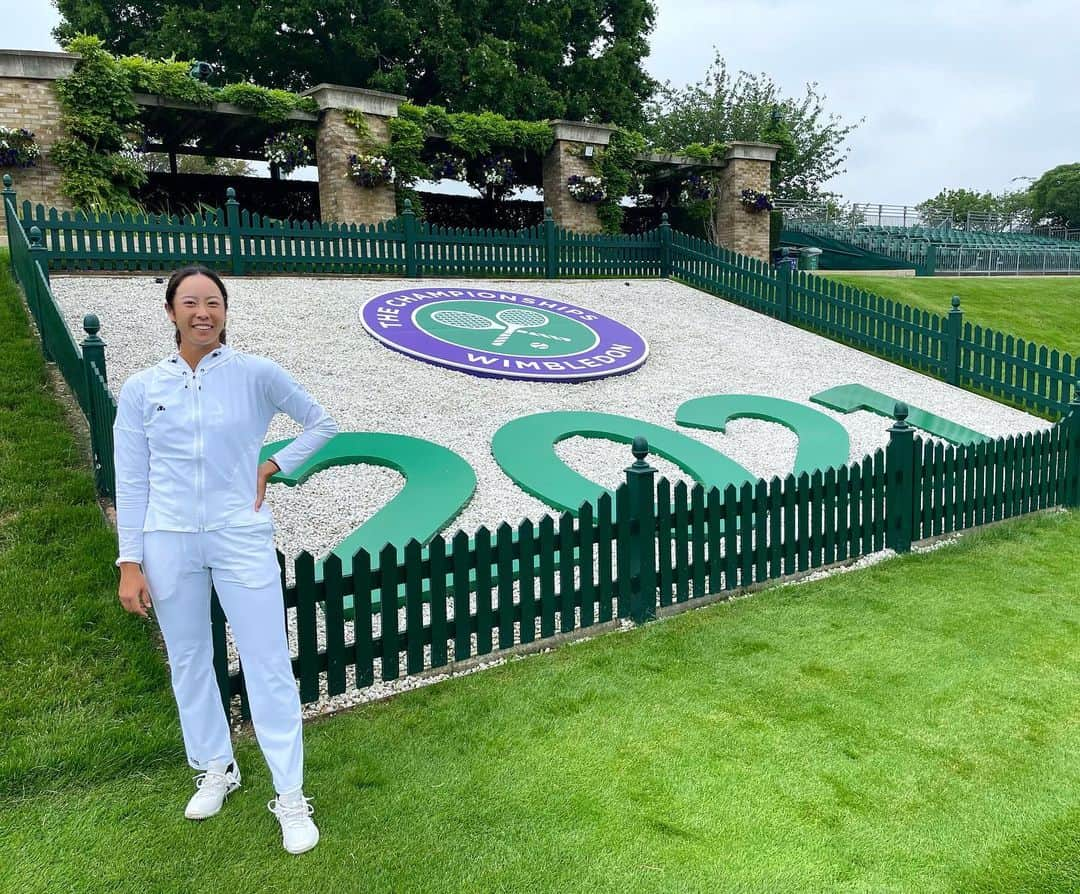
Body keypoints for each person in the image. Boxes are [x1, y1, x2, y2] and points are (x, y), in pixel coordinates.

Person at [112, 265, 338, 855]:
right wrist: (129, 561)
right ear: (170, 312)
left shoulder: (254, 374)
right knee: (189, 658)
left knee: (267, 662)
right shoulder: (142, 389)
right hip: (167, 538)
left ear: (225, 311)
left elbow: (322, 421)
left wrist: (274, 464)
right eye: (190, 302)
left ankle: (290, 795)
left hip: (241, 534)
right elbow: (131, 477)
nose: (202, 312)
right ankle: (217, 766)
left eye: (213, 302)